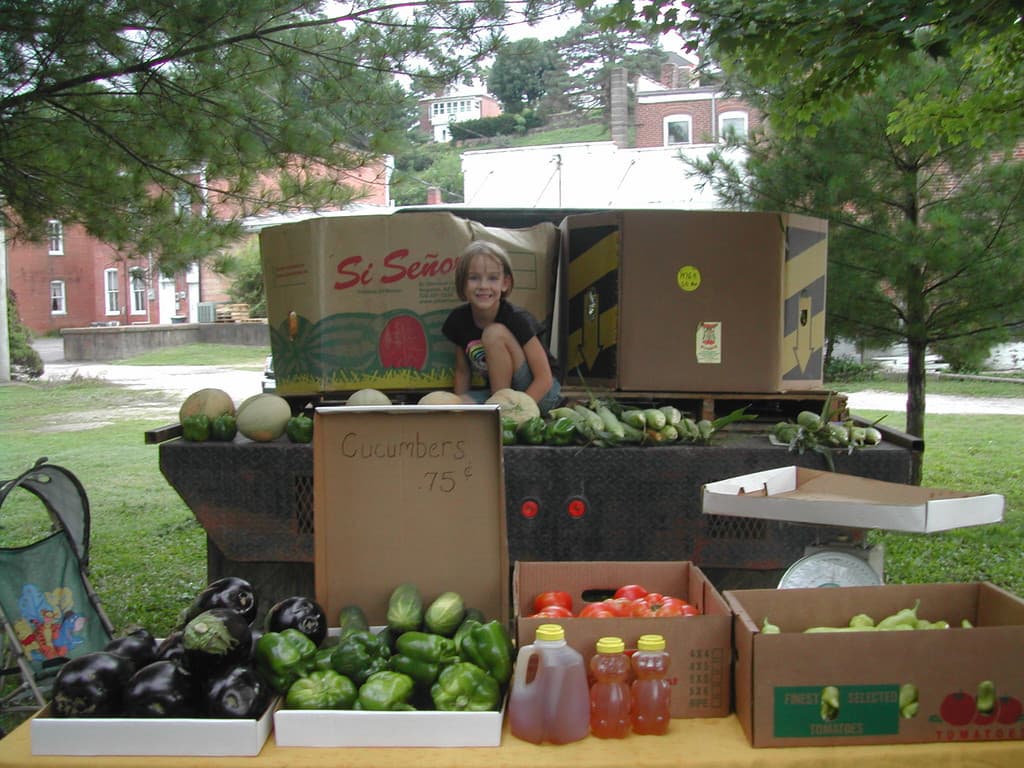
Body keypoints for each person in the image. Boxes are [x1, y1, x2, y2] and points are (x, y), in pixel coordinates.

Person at [442, 240, 562, 414]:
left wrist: (519, 413)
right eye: (474, 278)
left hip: (541, 394)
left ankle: (498, 412)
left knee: (493, 333)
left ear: (504, 283)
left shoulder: (516, 318)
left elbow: (544, 378)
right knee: (453, 404)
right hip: (501, 395)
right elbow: (463, 371)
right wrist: (460, 407)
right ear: (462, 283)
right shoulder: (458, 320)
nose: (483, 286)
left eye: (492, 278)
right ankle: (496, 409)